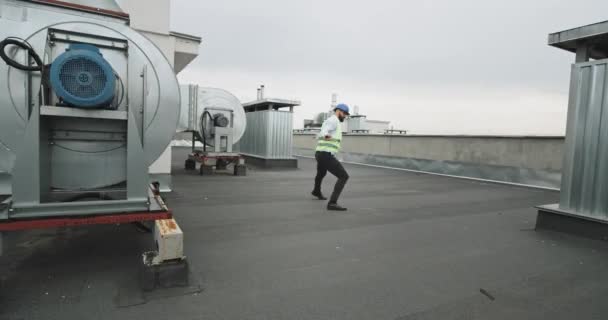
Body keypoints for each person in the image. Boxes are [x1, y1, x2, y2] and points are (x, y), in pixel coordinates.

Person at [311, 103, 350, 211]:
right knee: (343, 176)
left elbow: (323, 131)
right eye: (345, 113)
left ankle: (316, 191)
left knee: (321, 173)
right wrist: (325, 135)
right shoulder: (333, 120)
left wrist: (320, 135)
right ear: (339, 111)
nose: (345, 116)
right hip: (325, 155)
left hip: (320, 153)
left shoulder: (331, 120)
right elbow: (325, 131)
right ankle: (332, 203)